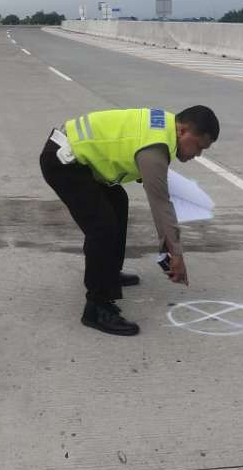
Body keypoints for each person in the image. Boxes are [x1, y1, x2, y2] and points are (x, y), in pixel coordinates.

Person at [40, 105, 219, 336]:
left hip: (81, 160)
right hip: (63, 163)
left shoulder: (164, 126)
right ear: (183, 131)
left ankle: (109, 273)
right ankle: (97, 307)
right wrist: (176, 254)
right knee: (102, 227)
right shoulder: (155, 148)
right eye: (198, 147)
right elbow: (161, 205)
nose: (198, 155)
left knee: (117, 202)